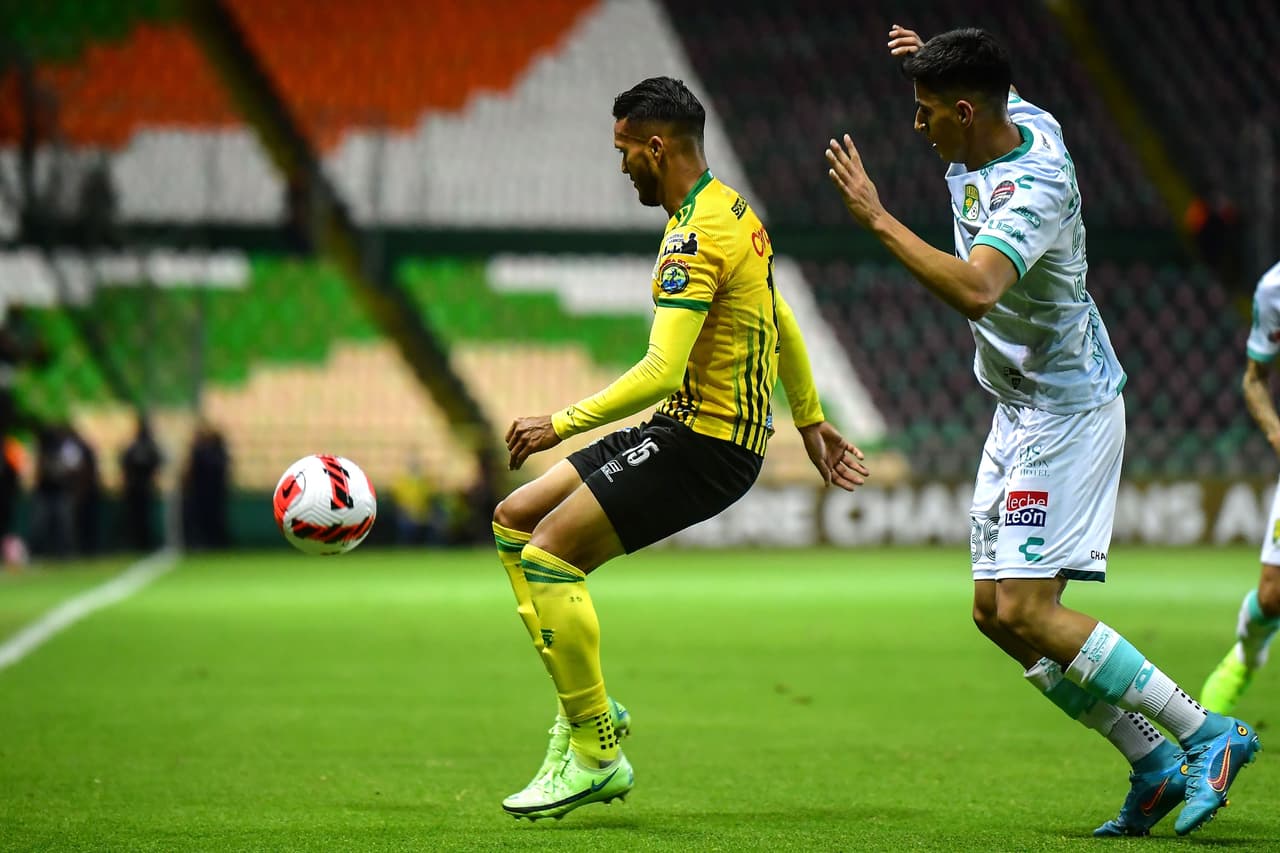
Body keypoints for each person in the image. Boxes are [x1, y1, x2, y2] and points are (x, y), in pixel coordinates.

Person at [824, 26, 1259, 837]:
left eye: (925, 113)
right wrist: (927, 53)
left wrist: (878, 218)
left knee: (1029, 605)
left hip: (1068, 408)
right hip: (1017, 407)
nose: (916, 129)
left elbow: (978, 289)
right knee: (993, 612)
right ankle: (1152, 760)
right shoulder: (1017, 116)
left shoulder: (1035, 183)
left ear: (963, 113)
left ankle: (1208, 733)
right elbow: (989, 82)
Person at [492, 76, 868, 822]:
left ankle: (595, 750)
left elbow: (660, 369)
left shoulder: (695, 236)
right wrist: (810, 417)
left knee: (548, 555)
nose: (622, 164)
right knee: (513, 519)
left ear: (656, 146)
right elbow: (783, 317)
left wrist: (557, 422)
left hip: (707, 444)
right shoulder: (734, 210)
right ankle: (586, 710)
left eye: (625, 150)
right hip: (685, 428)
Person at [1201, 260, 1280, 713]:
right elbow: (1255, 381)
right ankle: (1247, 655)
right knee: (1273, 595)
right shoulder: (1273, 289)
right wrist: (1274, 433)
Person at [120, 415, 163, 552]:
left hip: (143, 486)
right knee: (136, 517)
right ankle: (137, 542)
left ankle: (144, 542)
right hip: (136, 486)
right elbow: (125, 463)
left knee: (143, 517)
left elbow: (156, 462)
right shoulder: (135, 447)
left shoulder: (147, 446)